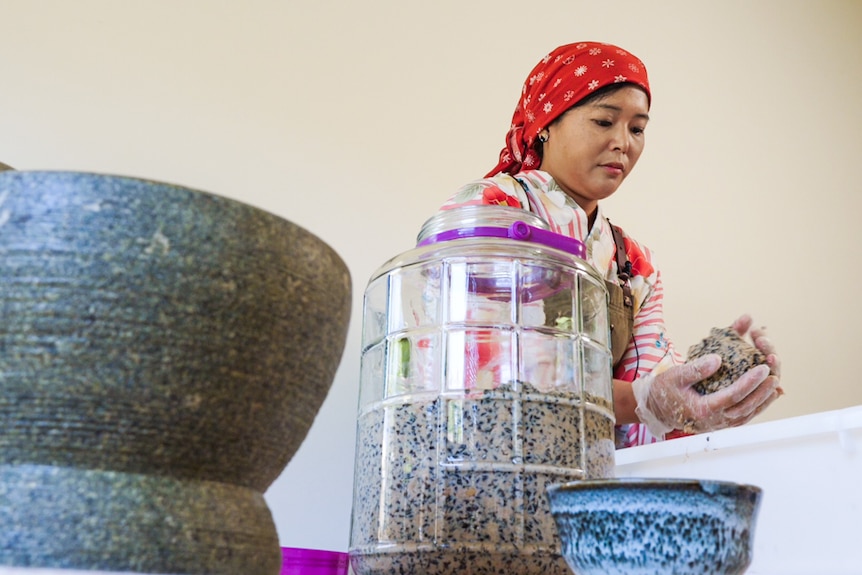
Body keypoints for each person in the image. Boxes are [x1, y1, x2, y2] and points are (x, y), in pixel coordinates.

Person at [437, 41, 783, 447]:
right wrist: (644, 400)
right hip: (477, 465)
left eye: (637, 129)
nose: (624, 143)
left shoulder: (632, 264)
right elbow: (485, 367)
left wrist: (711, 389)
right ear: (545, 122)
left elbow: (643, 422)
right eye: (605, 121)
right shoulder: (490, 208)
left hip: (582, 486)